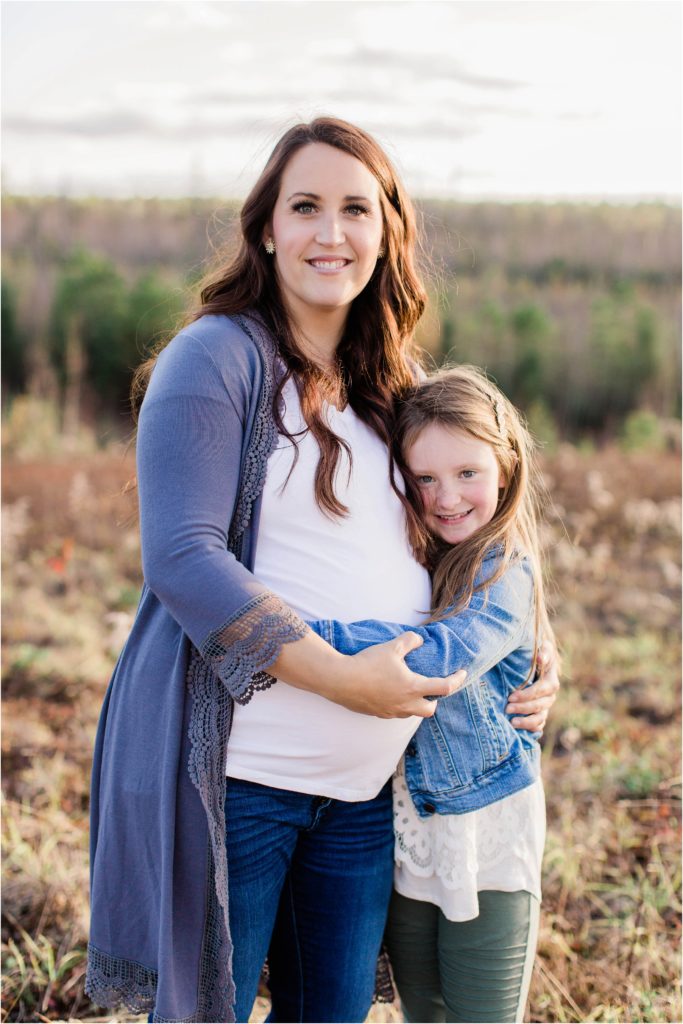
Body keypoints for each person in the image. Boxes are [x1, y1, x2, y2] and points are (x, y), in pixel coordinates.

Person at [85, 117, 558, 1024]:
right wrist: (343, 679)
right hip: (238, 784)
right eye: (305, 207)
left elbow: (475, 524)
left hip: (358, 798)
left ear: (387, 234)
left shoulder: (390, 384)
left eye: (355, 209)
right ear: (267, 227)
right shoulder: (217, 357)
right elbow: (183, 559)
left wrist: (532, 640)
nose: (330, 233)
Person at [307, 366, 551, 1022]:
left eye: (467, 473)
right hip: (406, 828)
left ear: (504, 467)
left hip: (486, 832)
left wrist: (292, 632)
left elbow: (444, 654)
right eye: (424, 478)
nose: (446, 498)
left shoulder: (504, 571)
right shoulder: (410, 561)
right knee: (424, 1014)